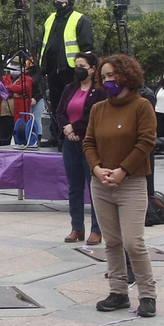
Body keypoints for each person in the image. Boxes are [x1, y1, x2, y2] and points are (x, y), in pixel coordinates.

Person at [83, 54, 157, 315]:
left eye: (112, 75)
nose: (108, 81)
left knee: (133, 242)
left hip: (131, 183)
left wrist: (123, 171)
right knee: (112, 241)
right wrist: (96, 168)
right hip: (101, 183)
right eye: (103, 77)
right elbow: (89, 142)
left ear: (126, 75)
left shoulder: (142, 106)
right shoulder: (98, 109)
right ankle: (118, 292)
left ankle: (147, 294)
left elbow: (146, 142)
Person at [55, 52, 105, 245]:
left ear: (93, 69)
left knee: (94, 188)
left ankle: (97, 229)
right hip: (70, 143)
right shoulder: (70, 88)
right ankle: (77, 227)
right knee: (74, 188)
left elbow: (94, 114)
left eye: (82, 66)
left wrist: (75, 127)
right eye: (76, 66)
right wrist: (67, 129)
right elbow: (60, 111)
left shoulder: (99, 91)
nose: (78, 70)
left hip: (90, 144)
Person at [39, 0, 93, 147]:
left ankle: (68, 135)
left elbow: (87, 46)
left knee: (70, 104)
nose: (58, 0)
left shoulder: (80, 19)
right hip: (52, 69)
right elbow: (43, 42)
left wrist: (84, 68)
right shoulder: (50, 19)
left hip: (71, 70)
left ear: (69, 1)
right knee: (55, 104)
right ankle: (55, 135)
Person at [0, 62, 34, 148]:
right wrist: (14, 93)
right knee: (3, 142)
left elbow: (22, 88)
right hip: (4, 115)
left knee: (20, 142)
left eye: (17, 65)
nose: (14, 67)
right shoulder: (4, 78)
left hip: (19, 116)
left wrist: (7, 88)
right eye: (13, 64)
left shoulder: (27, 79)